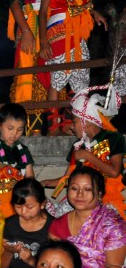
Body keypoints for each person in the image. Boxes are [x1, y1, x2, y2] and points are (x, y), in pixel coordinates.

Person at [38, 0, 108, 135]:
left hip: (79, 35)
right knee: (58, 79)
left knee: (80, 82)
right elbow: (43, 13)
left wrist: (95, 13)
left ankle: (79, 126)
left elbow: (85, 4)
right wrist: (44, 42)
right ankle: (52, 128)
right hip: (59, 32)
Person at [49, 167, 126, 268]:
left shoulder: (112, 224)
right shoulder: (58, 224)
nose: (79, 194)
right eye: (74, 188)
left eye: (87, 189)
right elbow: (53, 262)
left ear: (99, 194)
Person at [41, 88, 125, 216]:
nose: (72, 127)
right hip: (79, 199)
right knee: (44, 210)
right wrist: (44, 183)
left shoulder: (114, 138)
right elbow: (69, 179)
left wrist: (88, 156)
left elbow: (114, 172)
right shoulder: (77, 146)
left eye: (74, 122)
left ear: (88, 123)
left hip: (105, 199)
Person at [7, 0, 58, 135]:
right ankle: (31, 132)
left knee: (57, 78)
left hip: (56, 27)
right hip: (33, 26)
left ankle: (57, 127)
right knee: (30, 79)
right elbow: (15, 2)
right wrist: (27, 32)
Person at [0, 179, 52, 268]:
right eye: (18, 207)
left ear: (42, 204)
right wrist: (8, 252)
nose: (23, 212)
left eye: (29, 207)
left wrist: (30, 260)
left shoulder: (52, 227)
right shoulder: (9, 224)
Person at [0, 103, 36, 215]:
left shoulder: (23, 150)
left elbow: (30, 177)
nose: (14, 134)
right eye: (10, 128)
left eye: (19, 130)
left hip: (18, 196)